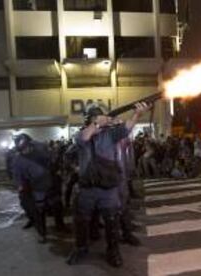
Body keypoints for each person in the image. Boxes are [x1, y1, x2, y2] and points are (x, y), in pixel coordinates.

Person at [66, 101, 150, 267]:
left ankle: (113, 251)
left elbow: (127, 127)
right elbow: (83, 138)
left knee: (112, 220)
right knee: (81, 220)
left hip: (108, 189)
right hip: (87, 188)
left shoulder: (110, 134)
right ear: (90, 120)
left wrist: (137, 114)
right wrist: (97, 123)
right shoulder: (83, 134)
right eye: (95, 119)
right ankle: (81, 248)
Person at [12, 133, 66, 244]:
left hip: (51, 182)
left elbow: (54, 159)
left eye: (26, 148)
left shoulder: (41, 148)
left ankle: (60, 226)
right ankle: (42, 234)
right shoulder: (18, 160)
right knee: (39, 211)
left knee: (57, 206)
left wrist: (58, 169)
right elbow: (17, 176)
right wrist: (20, 186)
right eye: (21, 149)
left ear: (30, 144)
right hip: (37, 187)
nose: (24, 151)